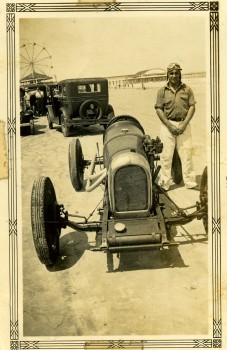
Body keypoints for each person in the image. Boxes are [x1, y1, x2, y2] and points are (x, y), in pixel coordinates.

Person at [154, 62, 198, 191]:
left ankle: (190, 182)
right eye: (171, 73)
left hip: (184, 124)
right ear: (168, 75)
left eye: (176, 73)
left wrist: (184, 124)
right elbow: (159, 109)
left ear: (180, 75)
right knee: (166, 156)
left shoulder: (187, 89)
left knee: (186, 153)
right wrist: (169, 125)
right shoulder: (162, 91)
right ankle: (165, 183)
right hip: (167, 125)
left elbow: (192, 107)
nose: (174, 75)